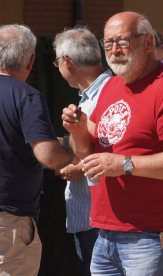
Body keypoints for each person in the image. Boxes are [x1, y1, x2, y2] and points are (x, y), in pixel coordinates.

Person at [62, 12, 163, 275]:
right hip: (106, 231)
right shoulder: (112, 86)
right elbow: (88, 152)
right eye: (108, 43)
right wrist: (79, 131)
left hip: (152, 233)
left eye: (123, 42)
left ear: (148, 43)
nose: (114, 50)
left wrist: (123, 164)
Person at [0, 24, 75, 276]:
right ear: (31, 61)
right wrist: (75, 150)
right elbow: (48, 155)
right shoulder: (26, 96)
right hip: (8, 219)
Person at [53, 26, 113, 276]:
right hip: (87, 214)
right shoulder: (90, 94)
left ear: (67, 61)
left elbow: (114, 146)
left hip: (100, 216)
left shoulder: (110, 92)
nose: (58, 67)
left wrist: (78, 167)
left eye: (57, 61)